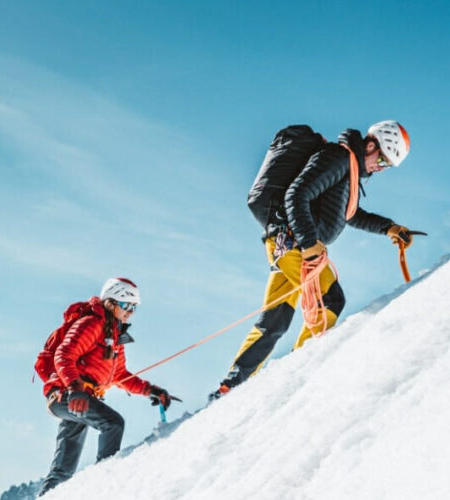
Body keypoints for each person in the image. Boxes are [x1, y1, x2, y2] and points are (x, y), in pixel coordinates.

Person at [210, 120, 420, 400]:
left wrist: (389, 227)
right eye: (381, 158)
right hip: (294, 243)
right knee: (330, 300)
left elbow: (349, 213)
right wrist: (309, 243)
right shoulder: (339, 156)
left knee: (275, 319)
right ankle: (297, 374)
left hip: (289, 244)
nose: (380, 168)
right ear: (370, 145)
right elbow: (295, 195)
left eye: (387, 166)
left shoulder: (349, 171)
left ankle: (230, 386)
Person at [36, 277, 177, 496]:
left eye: (134, 307)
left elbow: (119, 375)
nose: (130, 311)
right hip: (68, 395)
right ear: (110, 303)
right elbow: (64, 355)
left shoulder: (114, 336)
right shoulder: (92, 324)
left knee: (63, 470)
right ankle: (103, 487)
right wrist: (74, 389)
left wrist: (152, 390)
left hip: (80, 399)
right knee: (113, 423)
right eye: (126, 305)